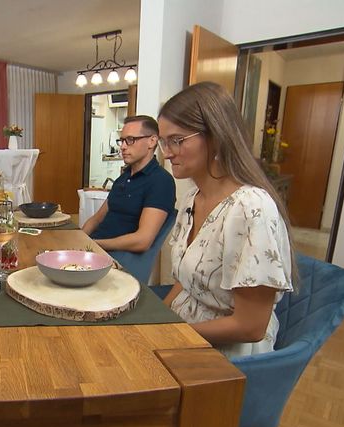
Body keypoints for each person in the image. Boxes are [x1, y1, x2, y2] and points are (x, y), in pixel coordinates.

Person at [158, 81, 295, 358]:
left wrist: (171, 333)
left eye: (177, 140)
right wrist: (159, 320)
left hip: (229, 353)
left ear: (216, 137)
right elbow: (185, 281)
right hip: (182, 330)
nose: (167, 152)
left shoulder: (250, 209)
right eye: (163, 141)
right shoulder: (191, 199)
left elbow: (250, 327)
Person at [81, 115, 176, 252]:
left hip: (117, 259)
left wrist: (94, 244)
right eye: (122, 140)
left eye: (130, 140)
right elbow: (96, 219)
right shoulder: (123, 178)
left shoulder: (161, 181)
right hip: (95, 250)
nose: (123, 147)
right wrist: (80, 240)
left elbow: (142, 241)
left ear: (152, 141)